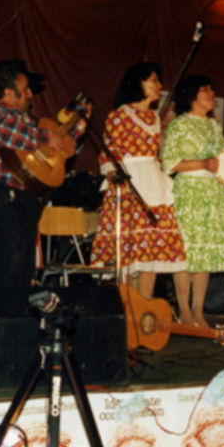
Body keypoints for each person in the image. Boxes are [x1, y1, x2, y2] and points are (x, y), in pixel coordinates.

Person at [0, 59, 86, 291]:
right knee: (9, 264)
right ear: (8, 92)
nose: (30, 95)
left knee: (23, 267)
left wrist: (79, 127)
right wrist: (46, 138)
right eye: (25, 90)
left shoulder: (28, 123)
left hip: (22, 198)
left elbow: (54, 150)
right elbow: (11, 133)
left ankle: (9, 323)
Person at [90, 62, 187, 298]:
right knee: (128, 250)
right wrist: (115, 178)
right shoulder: (119, 115)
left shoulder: (154, 117)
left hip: (153, 182)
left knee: (151, 250)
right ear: (139, 83)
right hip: (129, 182)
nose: (159, 85)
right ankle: (125, 305)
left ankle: (144, 305)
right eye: (154, 80)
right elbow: (108, 154)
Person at [160, 74, 224, 328]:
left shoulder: (214, 126)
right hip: (189, 191)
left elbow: (223, 159)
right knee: (186, 252)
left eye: (211, 89)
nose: (210, 94)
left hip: (212, 192)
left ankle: (198, 311)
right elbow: (169, 163)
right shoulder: (178, 125)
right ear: (191, 95)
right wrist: (203, 163)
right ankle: (183, 311)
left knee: (203, 254)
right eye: (205, 89)